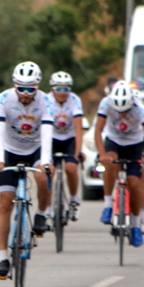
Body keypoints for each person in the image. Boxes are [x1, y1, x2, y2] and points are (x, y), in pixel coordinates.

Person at [0, 61, 53, 280]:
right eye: (21, 88)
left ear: (37, 86)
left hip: (36, 149)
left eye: (31, 89)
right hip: (10, 150)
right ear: (14, 85)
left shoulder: (46, 101)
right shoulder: (3, 99)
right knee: (5, 202)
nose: (26, 94)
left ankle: (41, 214)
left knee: (43, 176)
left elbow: (47, 134)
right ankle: (2, 257)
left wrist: (45, 162)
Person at [95, 81, 144, 247]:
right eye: (118, 111)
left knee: (134, 183)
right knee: (110, 162)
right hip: (114, 141)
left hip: (134, 144)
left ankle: (136, 225)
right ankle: (108, 205)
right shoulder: (106, 103)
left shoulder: (140, 109)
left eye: (125, 111)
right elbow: (98, 130)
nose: (122, 114)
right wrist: (102, 154)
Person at [46, 71, 84, 221]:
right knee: (48, 171)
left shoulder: (75, 100)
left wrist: (78, 151)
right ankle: (47, 209)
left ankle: (74, 200)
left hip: (70, 138)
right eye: (58, 89)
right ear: (52, 89)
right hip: (52, 138)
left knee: (71, 168)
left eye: (66, 89)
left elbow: (79, 128)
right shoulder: (47, 100)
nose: (62, 93)